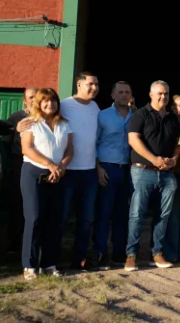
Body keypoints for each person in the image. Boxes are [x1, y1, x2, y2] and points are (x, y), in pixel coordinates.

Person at [124, 81, 180, 271]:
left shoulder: (172, 118)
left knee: (163, 215)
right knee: (136, 215)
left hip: (167, 173)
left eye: (166, 94)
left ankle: (156, 253)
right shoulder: (140, 115)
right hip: (142, 171)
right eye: (159, 93)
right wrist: (154, 159)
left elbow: (178, 143)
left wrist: (174, 159)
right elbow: (133, 139)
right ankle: (131, 255)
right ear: (151, 94)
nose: (163, 97)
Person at [20, 88, 72, 280]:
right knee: (34, 218)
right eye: (46, 101)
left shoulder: (64, 124)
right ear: (39, 103)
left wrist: (61, 167)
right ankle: (29, 266)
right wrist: (50, 165)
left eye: (54, 101)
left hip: (58, 175)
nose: (50, 104)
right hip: (34, 173)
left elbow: (70, 150)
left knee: (55, 220)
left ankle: (49, 264)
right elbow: (27, 148)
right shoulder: (30, 123)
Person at [58, 71, 101, 270]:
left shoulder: (95, 107)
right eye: (90, 84)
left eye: (96, 84)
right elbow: (45, 121)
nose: (94, 88)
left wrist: (98, 166)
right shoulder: (64, 105)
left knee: (86, 218)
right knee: (61, 216)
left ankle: (79, 258)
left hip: (89, 172)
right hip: (68, 171)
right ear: (79, 85)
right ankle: (53, 258)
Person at [93, 81, 134, 270]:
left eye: (127, 92)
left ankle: (119, 252)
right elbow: (92, 143)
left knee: (122, 213)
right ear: (112, 95)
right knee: (104, 212)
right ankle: (101, 252)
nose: (124, 95)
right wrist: (98, 168)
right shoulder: (102, 115)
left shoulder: (136, 116)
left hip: (128, 169)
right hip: (107, 168)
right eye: (120, 92)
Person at [5, 87, 37, 250]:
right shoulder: (16, 117)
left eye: (37, 96)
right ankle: (15, 241)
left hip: (40, 165)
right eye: (31, 97)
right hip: (19, 164)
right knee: (17, 204)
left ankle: (34, 242)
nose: (34, 99)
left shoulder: (45, 117)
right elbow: (6, 141)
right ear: (24, 100)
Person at [162, 95, 180, 264]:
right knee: (172, 214)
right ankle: (170, 252)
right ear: (173, 107)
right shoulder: (169, 122)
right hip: (171, 172)